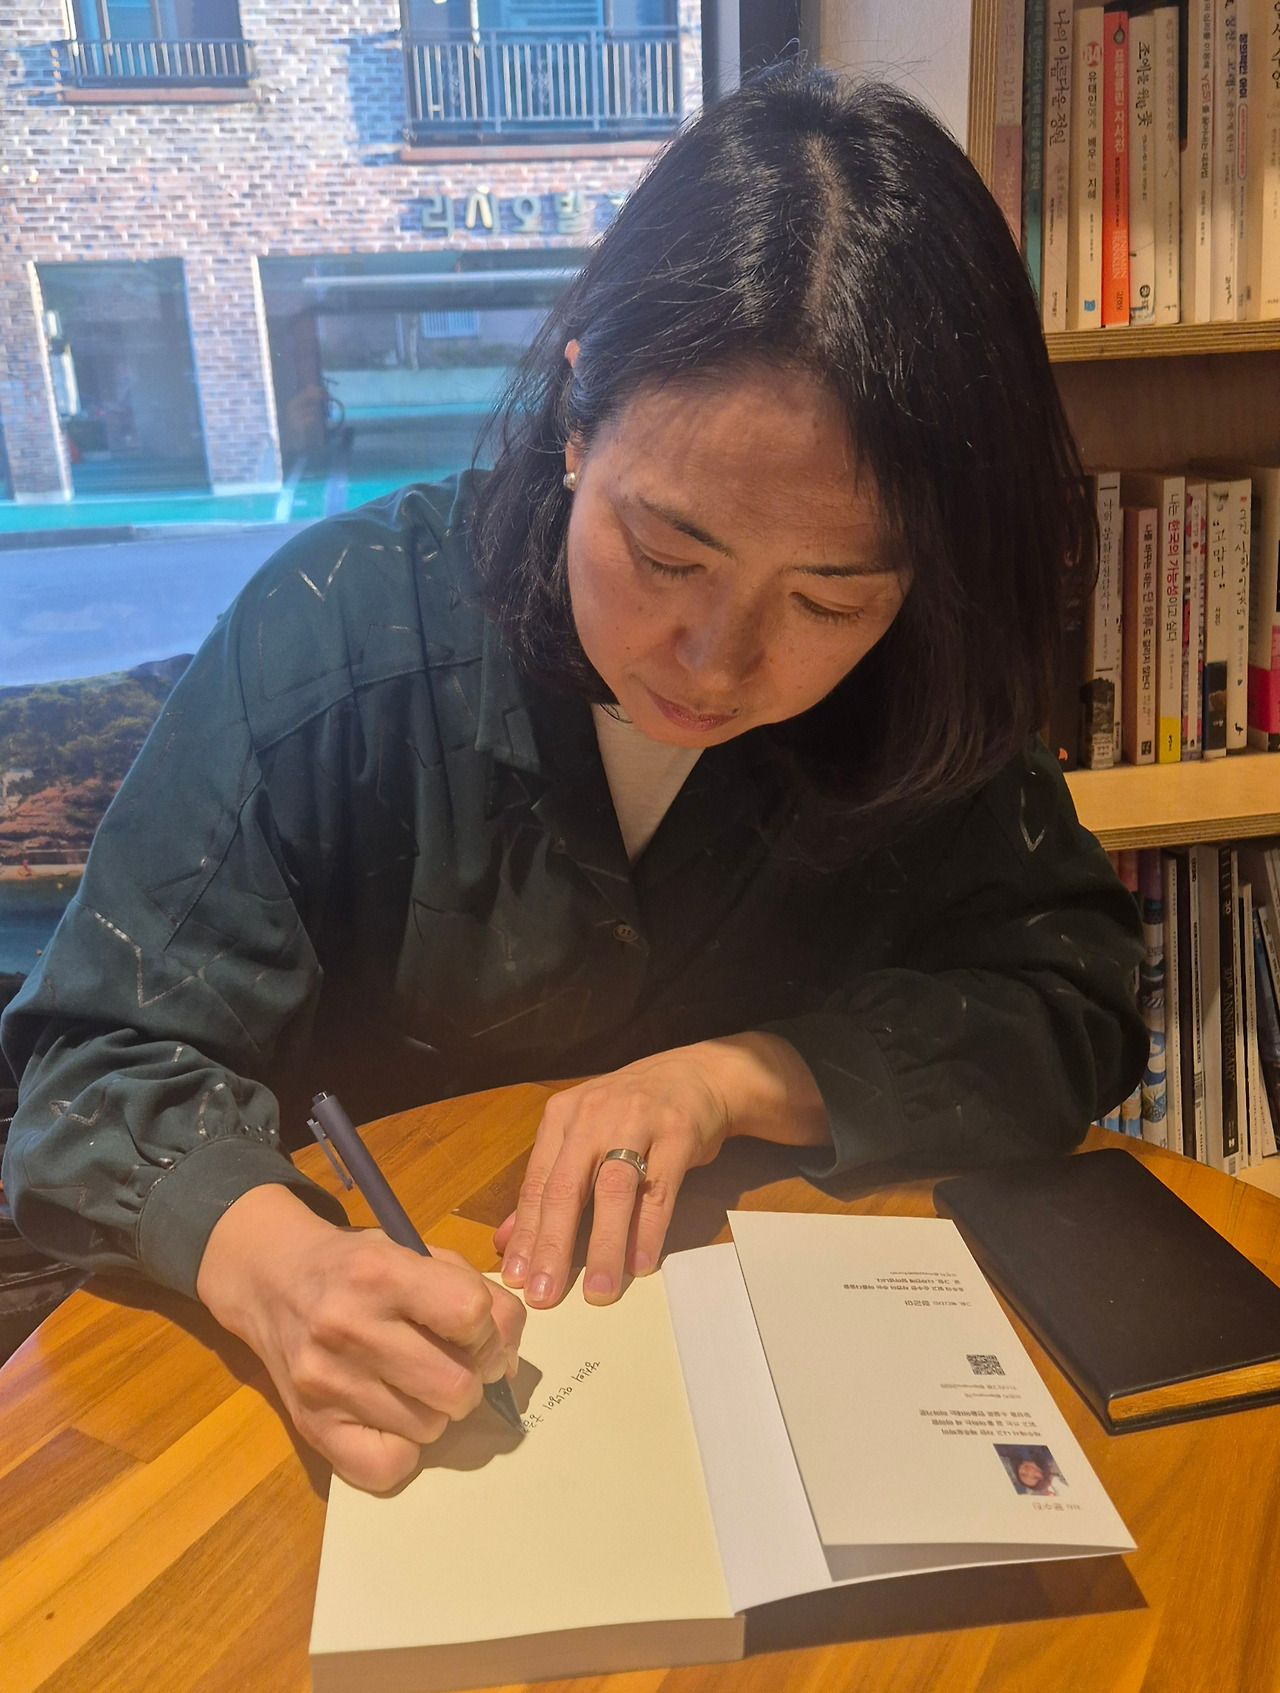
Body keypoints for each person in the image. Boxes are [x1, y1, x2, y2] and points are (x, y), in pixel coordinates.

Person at [0, 68, 1145, 1492]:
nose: (719, 661)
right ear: (574, 417)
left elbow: (1073, 994)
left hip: (795, 1392)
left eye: (830, 599)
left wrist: (748, 1077)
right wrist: (279, 1266)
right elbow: (91, 1070)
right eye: (665, 554)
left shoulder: (926, 685)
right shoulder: (338, 631)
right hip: (360, 1442)